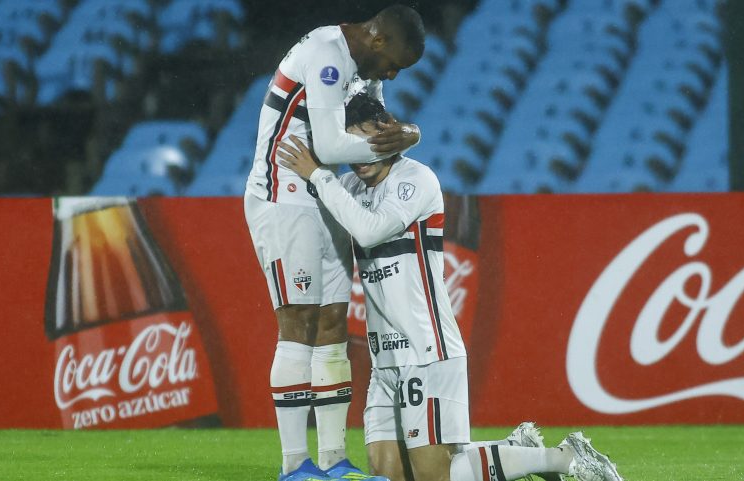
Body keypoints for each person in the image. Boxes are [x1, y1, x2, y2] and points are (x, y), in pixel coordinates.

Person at [276, 94, 625, 481]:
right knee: (390, 478)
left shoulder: (415, 179)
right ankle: (517, 451)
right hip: (384, 362)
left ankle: (564, 458)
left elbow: (369, 230)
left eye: (366, 143)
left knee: (434, 478)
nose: (358, 158)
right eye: (349, 146)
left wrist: (319, 175)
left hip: (427, 351)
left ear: (386, 133)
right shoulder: (349, 187)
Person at [243, 5, 426, 481]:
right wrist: (409, 137)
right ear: (379, 40)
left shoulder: (364, 74)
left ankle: (331, 461)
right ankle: (293, 465)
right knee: (298, 322)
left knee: (331, 327)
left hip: (325, 195)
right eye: (394, 65)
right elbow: (326, 146)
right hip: (283, 196)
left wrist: (397, 132)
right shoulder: (327, 55)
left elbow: (367, 129)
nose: (390, 75)